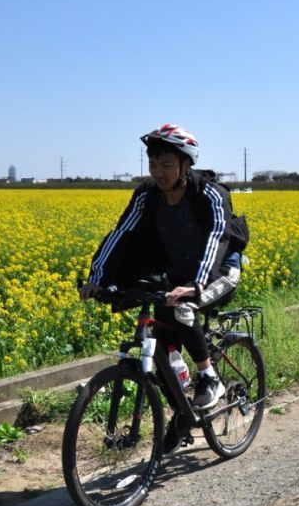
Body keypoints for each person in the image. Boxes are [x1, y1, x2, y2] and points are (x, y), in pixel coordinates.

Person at [80, 124, 242, 424]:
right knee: (163, 348)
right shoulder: (148, 194)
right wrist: (98, 278)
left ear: (185, 165)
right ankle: (182, 417)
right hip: (176, 274)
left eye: (166, 165)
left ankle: (209, 377)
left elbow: (217, 237)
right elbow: (123, 233)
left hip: (219, 270)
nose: (158, 172)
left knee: (182, 310)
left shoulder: (210, 193)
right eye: (153, 164)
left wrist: (196, 284)